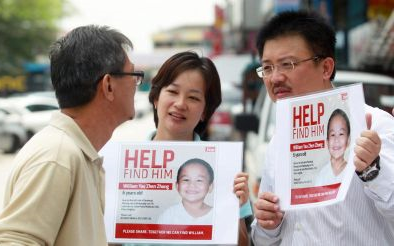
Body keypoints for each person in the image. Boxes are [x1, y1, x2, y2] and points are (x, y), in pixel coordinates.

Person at [251, 10, 394, 245]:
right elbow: (265, 240)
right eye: (267, 68)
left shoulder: (375, 125)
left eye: (287, 64)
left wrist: (373, 171)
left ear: (326, 67)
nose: (275, 78)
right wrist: (269, 225)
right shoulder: (279, 141)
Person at [0, 25, 141, 245]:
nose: (136, 85)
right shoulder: (58, 157)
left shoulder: (77, 153)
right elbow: (14, 240)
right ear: (108, 85)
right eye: (133, 75)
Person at [148, 51, 252, 245]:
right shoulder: (124, 162)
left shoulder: (223, 166)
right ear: (155, 98)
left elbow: (242, 243)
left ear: (205, 112)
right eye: (172, 91)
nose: (180, 104)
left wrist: (235, 208)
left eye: (193, 98)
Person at [158, 158, 214, 225]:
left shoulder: (216, 215)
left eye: (199, 180)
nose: (192, 185)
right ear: (177, 186)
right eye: (186, 180)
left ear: (210, 187)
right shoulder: (168, 216)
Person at [315, 108, 351, 186]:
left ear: (348, 140)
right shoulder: (321, 175)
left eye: (341, 134)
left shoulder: (352, 172)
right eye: (332, 134)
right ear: (327, 142)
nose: (336, 140)